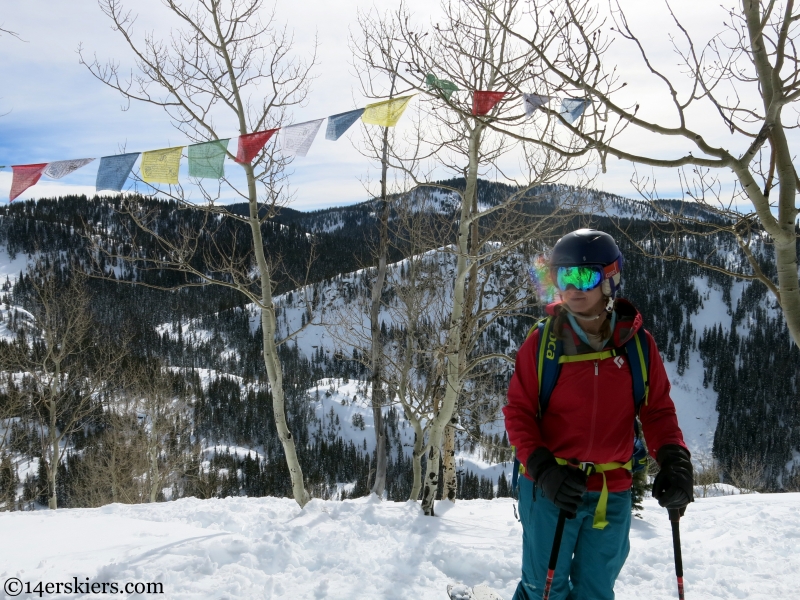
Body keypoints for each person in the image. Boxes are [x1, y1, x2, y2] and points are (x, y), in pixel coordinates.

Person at [503, 228, 694, 600]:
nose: (574, 287)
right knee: (544, 586)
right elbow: (519, 413)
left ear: (610, 279)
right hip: (550, 485)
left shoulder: (637, 344)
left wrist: (674, 459)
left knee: (595, 589)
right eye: (564, 276)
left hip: (612, 488)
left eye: (585, 275)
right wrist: (543, 470)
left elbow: (657, 411)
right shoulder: (543, 344)